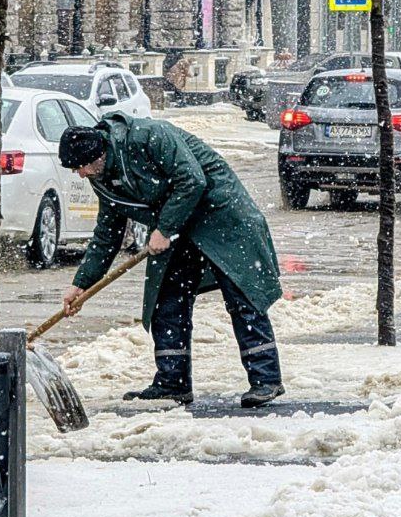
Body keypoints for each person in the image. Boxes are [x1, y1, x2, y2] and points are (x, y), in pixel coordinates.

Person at [58, 112, 284, 408]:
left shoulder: (148, 136)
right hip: (178, 227)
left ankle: (266, 379)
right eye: (75, 169)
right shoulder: (102, 177)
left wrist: (164, 229)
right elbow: (107, 234)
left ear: (99, 153)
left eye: (81, 166)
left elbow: (192, 180)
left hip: (221, 216)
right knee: (167, 299)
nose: (80, 174)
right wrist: (82, 284)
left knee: (242, 295)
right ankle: (172, 383)